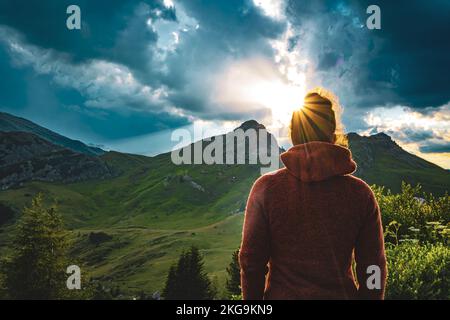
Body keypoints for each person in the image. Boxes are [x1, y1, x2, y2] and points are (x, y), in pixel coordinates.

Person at [239, 88, 387, 300]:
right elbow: (373, 266)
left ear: (293, 134)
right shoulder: (360, 194)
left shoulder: (266, 188)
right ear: (333, 133)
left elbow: (251, 263)